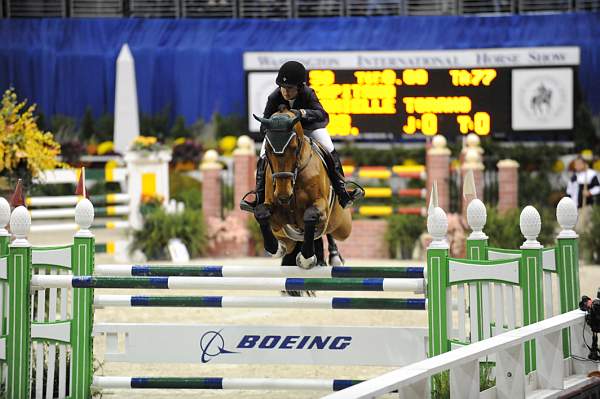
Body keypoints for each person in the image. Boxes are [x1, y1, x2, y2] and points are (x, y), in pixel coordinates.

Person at [240, 60, 363, 212]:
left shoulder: (308, 93)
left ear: (299, 87)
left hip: (309, 129)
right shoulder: (274, 97)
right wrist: (273, 128)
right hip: (284, 135)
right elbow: (263, 127)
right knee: (263, 154)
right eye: (282, 87)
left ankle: (342, 191)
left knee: (329, 147)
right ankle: (258, 197)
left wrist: (302, 113)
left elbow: (323, 116)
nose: (285, 92)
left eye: (289, 88)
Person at [566, 155, 599, 233]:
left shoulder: (591, 174)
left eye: (578, 164)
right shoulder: (574, 176)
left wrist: (589, 192)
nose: (576, 166)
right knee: (574, 229)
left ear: (584, 164)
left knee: (580, 228)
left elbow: (597, 188)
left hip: (585, 207)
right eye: (575, 164)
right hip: (574, 208)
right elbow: (569, 191)